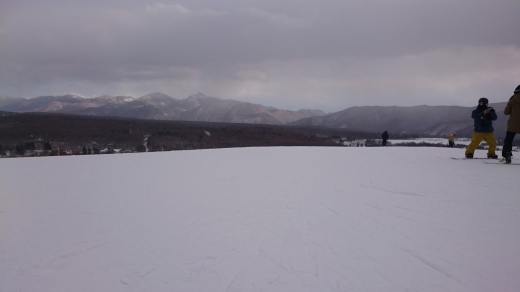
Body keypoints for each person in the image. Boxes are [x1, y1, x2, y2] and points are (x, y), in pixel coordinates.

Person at [501, 85, 520, 163]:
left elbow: (506, 112)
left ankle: (507, 155)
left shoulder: (512, 100)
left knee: (508, 140)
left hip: (513, 124)